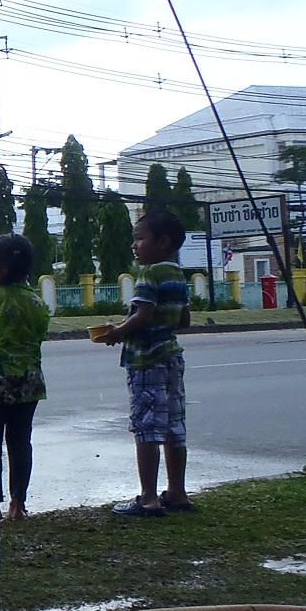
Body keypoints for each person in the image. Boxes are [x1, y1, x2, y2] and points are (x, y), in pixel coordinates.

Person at [97, 209, 192, 516]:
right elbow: (184, 319)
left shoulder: (149, 274)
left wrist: (118, 332)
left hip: (146, 359)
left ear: (162, 242)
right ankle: (177, 492)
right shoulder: (177, 275)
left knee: (147, 428)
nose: (134, 245)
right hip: (171, 357)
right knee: (174, 426)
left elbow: (143, 314)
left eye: (139, 239)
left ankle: (148, 498)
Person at [0, 233, 49, 520]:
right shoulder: (36, 301)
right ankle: (18, 504)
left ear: (3, 268)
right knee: (20, 441)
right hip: (28, 383)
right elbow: (40, 334)